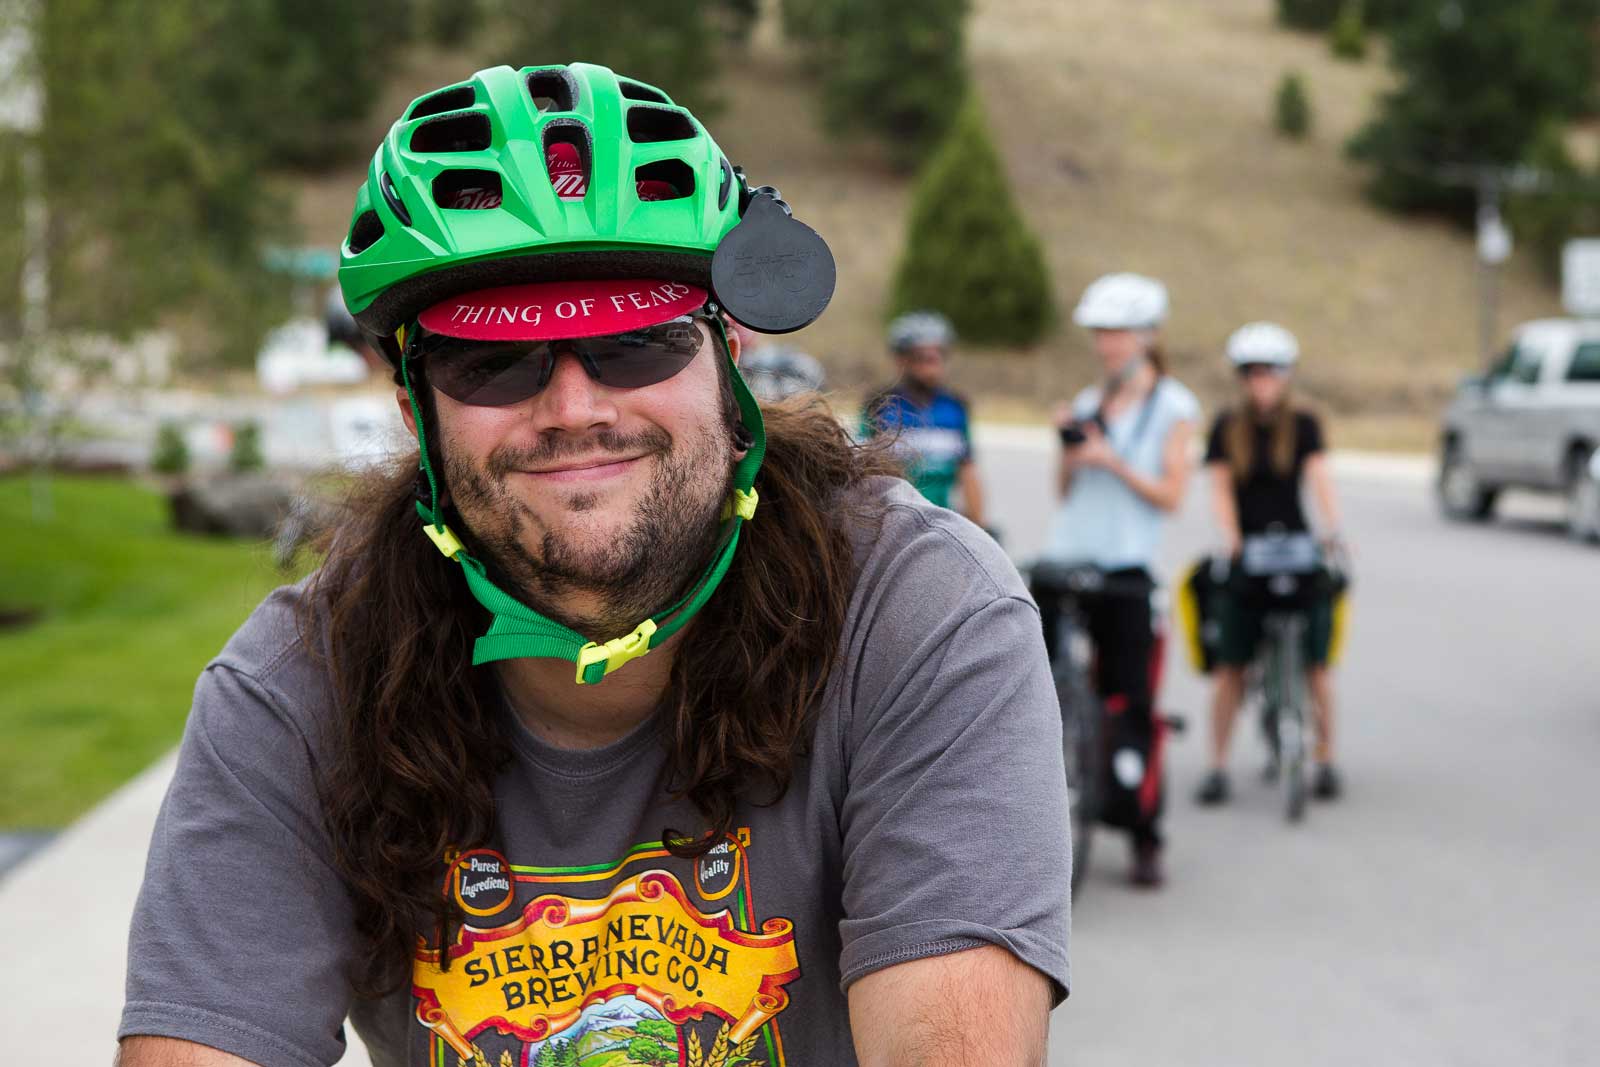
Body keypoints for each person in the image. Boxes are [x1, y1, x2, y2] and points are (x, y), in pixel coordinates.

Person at [117, 63, 1068, 1067]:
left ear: (727, 352)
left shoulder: (916, 610)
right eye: (493, 361)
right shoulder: (302, 682)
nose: (574, 409)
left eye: (636, 340)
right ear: (414, 406)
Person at [1039, 272, 1199, 888]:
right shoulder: (1088, 402)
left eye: (1115, 334)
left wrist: (1113, 460)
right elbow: (1063, 492)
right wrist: (1073, 453)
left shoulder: (1175, 406)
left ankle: (1142, 830)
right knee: (1040, 692)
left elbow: (1171, 494)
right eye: (1099, 334)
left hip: (1128, 569)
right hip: (1069, 555)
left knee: (1131, 703)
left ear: (1145, 337)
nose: (1105, 345)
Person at [1195, 322, 1346, 806]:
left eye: (1271, 372)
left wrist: (1334, 529)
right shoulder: (1226, 427)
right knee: (1230, 668)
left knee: (1316, 667)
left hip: (1298, 552)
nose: (1262, 382)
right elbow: (1219, 488)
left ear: (1286, 375)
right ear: (1242, 377)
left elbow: (1319, 479)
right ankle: (1217, 765)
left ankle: (1325, 758)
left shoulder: (1304, 424)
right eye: (1252, 372)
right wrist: (1231, 537)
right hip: (1248, 554)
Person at [860, 310, 987, 526]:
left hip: (943, 521)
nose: (933, 365)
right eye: (923, 357)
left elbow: (968, 469)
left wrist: (979, 524)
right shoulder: (879, 405)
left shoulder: (956, 407)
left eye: (938, 356)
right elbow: (862, 471)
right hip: (892, 520)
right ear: (902, 360)